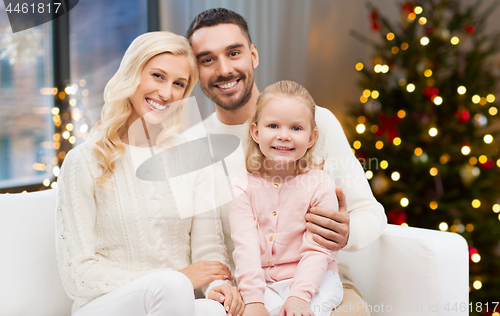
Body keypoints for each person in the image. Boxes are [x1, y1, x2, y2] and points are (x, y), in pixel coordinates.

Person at [185, 8, 387, 316]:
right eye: (207, 59)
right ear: (196, 70)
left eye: (234, 52)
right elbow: (202, 245)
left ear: (253, 54)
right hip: (245, 294)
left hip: (321, 285)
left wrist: (347, 234)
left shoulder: (319, 123)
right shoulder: (193, 146)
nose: (224, 69)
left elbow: (372, 213)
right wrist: (221, 290)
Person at [55, 31, 244, 316]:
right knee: (170, 286)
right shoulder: (83, 161)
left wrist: (218, 285)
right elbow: (77, 276)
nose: (167, 93)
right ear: (133, 74)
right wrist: (177, 279)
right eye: (157, 76)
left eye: (178, 84)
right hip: (106, 305)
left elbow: (208, 252)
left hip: (175, 302)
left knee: (215, 310)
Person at [230, 80, 343, 316]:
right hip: (265, 284)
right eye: (273, 125)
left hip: (316, 280)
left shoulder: (320, 184)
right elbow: (245, 246)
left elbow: (317, 249)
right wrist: (253, 300)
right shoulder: (242, 185)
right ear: (256, 132)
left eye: (296, 128)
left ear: (311, 138)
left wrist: (299, 297)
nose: (284, 136)